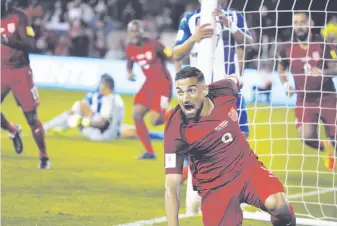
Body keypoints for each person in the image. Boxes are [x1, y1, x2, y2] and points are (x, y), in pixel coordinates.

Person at [164, 66, 296, 226]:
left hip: (246, 168)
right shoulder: (176, 127)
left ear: (204, 90)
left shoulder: (223, 90)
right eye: (180, 92)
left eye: (191, 90)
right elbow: (171, 187)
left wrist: (238, 78)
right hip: (215, 187)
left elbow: (236, 79)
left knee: (279, 205)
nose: (185, 98)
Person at [173, 0, 253, 214]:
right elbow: (176, 53)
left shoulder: (235, 16)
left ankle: (238, 193)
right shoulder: (190, 19)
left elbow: (250, 43)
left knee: (238, 142)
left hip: (229, 90)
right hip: (198, 94)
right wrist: (194, 38)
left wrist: (230, 25)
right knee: (196, 143)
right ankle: (198, 195)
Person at [278, 11, 337, 171]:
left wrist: (322, 72)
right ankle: (325, 149)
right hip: (304, 99)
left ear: (310, 24)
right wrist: (285, 84)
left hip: (327, 97)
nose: (299, 26)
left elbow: (335, 67)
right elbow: (281, 68)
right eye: (296, 23)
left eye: (302, 22)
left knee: (335, 136)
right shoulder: (287, 48)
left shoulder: (321, 44)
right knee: (305, 135)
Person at [1, 0, 50, 169]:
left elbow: (30, 44)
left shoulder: (19, 17)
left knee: (31, 117)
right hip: (1, 71)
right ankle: (13, 130)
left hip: (20, 72)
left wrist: (7, 41)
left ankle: (44, 155)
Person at [125, 19, 172, 160]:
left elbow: (169, 54)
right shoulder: (129, 48)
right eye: (132, 31)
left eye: (137, 30)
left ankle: (175, 113)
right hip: (149, 85)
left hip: (164, 84)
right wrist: (129, 72)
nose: (134, 33)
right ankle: (150, 152)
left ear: (142, 31)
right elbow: (129, 62)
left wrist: (174, 59)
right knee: (136, 114)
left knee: (155, 121)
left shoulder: (153, 43)